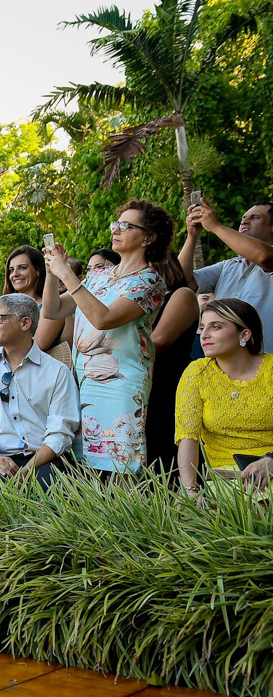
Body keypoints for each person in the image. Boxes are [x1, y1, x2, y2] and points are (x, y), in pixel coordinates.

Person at [43, 200, 170, 475]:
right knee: (84, 465)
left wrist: (67, 273)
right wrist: (54, 274)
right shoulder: (97, 276)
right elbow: (53, 310)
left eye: (126, 225)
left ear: (148, 237)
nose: (117, 229)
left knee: (121, 465)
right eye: (116, 224)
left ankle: (129, 517)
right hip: (84, 381)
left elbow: (103, 319)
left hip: (121, 382)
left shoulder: (150, 281)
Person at [0, 294, 80, 490]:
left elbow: (61, 432)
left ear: (25, 323)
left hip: (43, 461)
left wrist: (27, 471)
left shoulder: (57, 371)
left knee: (49, 497)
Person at [175, 298, 273, 496]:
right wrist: (190, 490)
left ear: (244, 334)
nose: (204, 335)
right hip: (224, 480)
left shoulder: (271, 370)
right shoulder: (197, 373)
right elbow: (188, 437)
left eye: (216, 327)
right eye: (202, 327)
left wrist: (271, 460)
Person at [182, 199, 273, 352]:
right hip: (224, 364)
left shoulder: (269, 257)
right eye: (244, 218)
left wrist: (215, 226)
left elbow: (264, 256)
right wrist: (192, 236)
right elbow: (181, 280)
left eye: (255, 217)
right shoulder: (227, 266)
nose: (244, 221)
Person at [146, 256, 199, 474]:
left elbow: (159, 341)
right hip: (143, 383)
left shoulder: (181, 295)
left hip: (168, 382)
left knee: (165, 455)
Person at [0, 246, 65, 352]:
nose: (15, 274)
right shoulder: (1, 308)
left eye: (22, 268)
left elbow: (36, 346)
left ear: (38, 271)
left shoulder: (51, 307)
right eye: (11, 270)